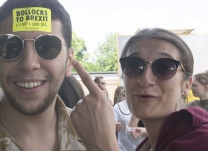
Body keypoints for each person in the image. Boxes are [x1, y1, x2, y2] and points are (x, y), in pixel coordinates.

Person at [0, 0, 86, 150]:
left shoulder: (93, 137)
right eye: (11, 47)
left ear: (69, 61)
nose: (29, 63)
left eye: (47, 47)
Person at [70, 28, 208, 151]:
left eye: (165, 67)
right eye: (133, 65)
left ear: (186, 85)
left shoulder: (201, 142)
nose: (144, 80)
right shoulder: (147, 145)